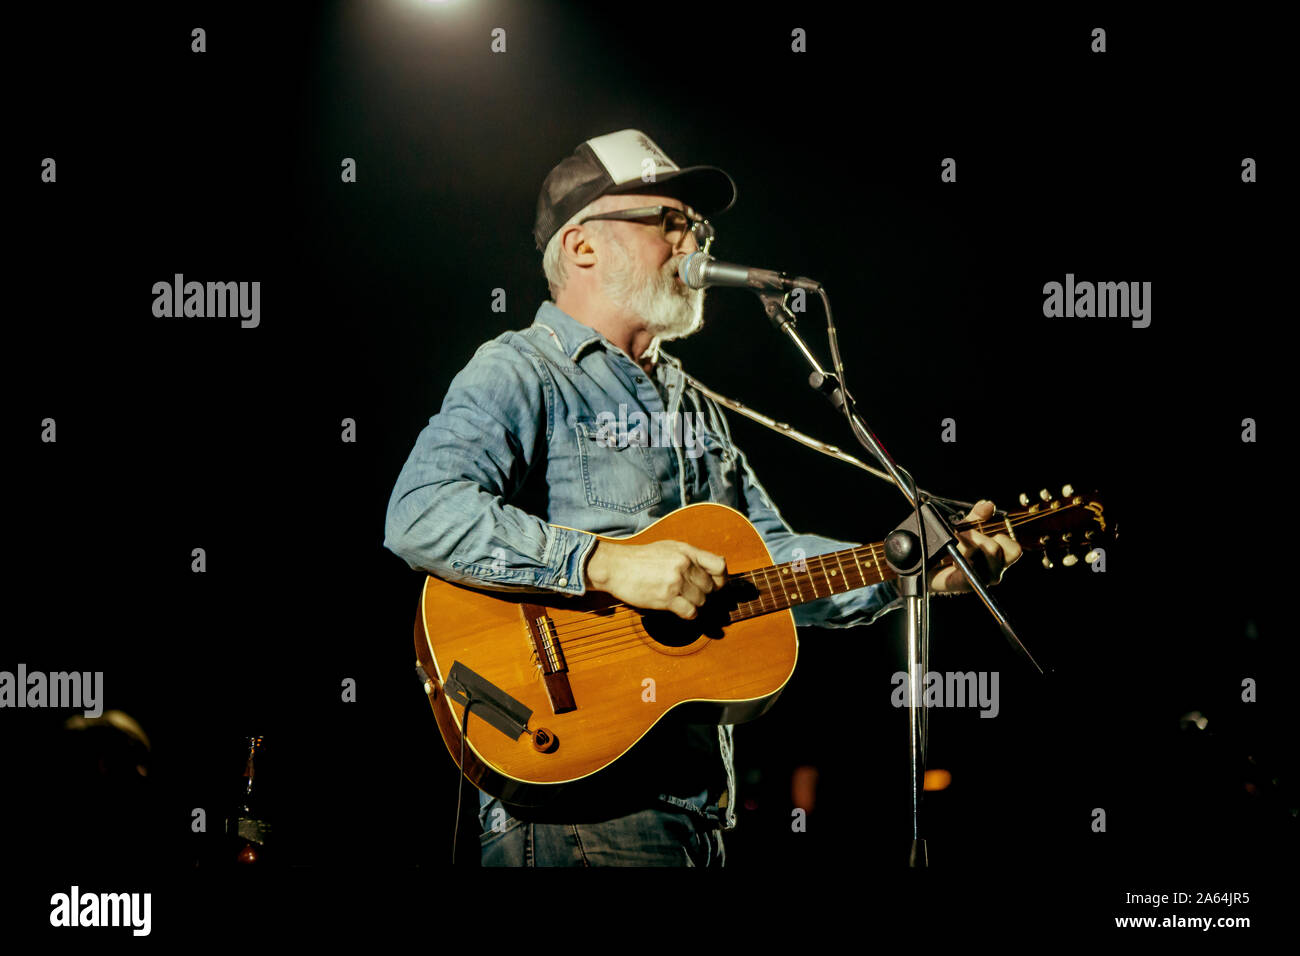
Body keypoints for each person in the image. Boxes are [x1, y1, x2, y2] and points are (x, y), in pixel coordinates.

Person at [384, 129, 1021, 866]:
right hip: (578, 805)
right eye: (669, 221)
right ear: (583, 245)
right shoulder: (521, 368)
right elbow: (419, 510)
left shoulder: (694, 405)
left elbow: (770, 562)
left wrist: (909, 565)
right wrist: (606, 565)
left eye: (699, 227)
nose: (694, 241)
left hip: (695, 808)